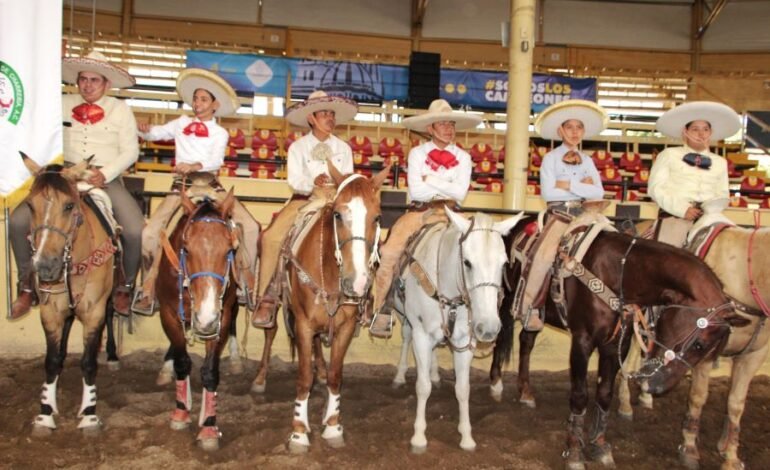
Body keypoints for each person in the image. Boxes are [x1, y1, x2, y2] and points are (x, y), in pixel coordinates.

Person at [8, 50, 141, 318]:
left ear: (107, 84)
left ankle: (125, 288)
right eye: (83, 79)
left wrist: (105, 173)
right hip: (62, 176)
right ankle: (26, 284)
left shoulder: (121, 109)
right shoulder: (60, 103)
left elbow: (130, 151)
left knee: (137, 231)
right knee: (18, 221)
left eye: (94, 80)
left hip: (103, 177)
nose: (88, 85)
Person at [131, 68, 261, 315]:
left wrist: (193, 165)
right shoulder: (181, 123)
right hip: (183, 185)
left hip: (211, 184)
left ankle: (246, 284)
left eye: (203, 99)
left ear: (215, 105)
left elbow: (214, 161)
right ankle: (148, 288)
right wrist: (144, 130)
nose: (197, 103)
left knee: (251, 227)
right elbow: (156, 133)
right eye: (196, 98)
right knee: (150, 232)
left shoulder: (220, 132)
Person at [369, 98, 481, 338]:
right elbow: (418, 191)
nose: (448, 129)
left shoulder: (463, 157)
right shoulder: (417, 153)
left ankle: (481, 311)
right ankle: (381, 307)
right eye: (442, 124)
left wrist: (431, 180)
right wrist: (446, 184)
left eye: (451, 124)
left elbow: (461, 193)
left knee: (482, 250)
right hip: (421, 211)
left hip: (454, 212)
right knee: (389, 253)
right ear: (430, 128)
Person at [251, 90, 357, 327]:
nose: (330, 118)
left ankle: (365, 298)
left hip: (336, 200)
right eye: (324, 114)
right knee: (271, 238)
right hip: (306, 199)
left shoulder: (343, 148)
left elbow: (349, 179)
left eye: (332, 114)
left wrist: (338, 183)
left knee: (363, 237)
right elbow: (294, 181)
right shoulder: (298, 147)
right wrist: (313, 183)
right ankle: (267, 296)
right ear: (311, 118)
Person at [516, 99, 608, 331]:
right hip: (560, 212)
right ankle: (530, 307)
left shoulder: (588, 160)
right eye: (570, 127)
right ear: (560, 131)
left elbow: (598, 191)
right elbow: (549, 192)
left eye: (579, 128)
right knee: (544, 254)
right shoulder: (550, 158)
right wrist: (582, 184)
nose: (575, 132)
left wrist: (566, 183)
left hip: (588, 212)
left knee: (614, 239)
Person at [648, 101, 741, 247]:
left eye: (705, 129)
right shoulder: (668, 155)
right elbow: (655, 189)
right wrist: (682, 209)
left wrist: (711, 209)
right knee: (669, 261)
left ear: (710, 133)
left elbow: (722, 193)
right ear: (685, 132)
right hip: (676, 216)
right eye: (695, 129)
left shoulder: (720, 162)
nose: (701, 134)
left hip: (709, 218)